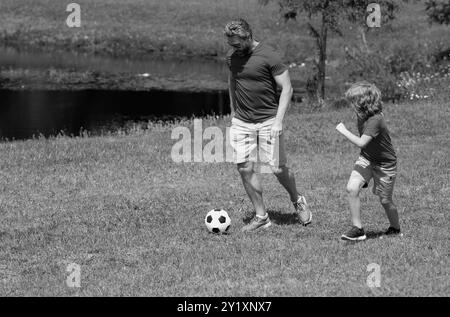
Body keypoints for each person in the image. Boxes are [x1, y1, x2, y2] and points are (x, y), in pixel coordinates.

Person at [224, 18, 312, 232]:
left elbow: (287, 89)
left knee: (277, 168)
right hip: (242, 122)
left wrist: (278, 121)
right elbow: (232, 83)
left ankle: (297, 199)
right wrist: (234, 114)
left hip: (268, 120)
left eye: (236, 44)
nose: (233, 48)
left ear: (248, 37)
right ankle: (261, 216)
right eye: (230, 44)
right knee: (245, 168)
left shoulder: (269, 55)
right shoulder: (232, 57)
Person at [336, 81, 401, 241]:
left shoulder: (375, 120)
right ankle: (358, 229)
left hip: (385, 165)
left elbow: (361, 142)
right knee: (352, 188)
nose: (351, 106)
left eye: (353, 102)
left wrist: (343, 131)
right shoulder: (362, 114)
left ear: (362, 103)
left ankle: (395, 228)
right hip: (366, 159)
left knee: (385, 200)